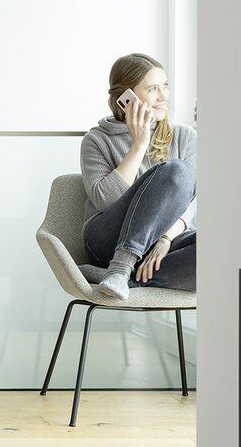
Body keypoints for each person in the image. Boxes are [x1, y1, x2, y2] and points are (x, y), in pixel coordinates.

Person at [80, 53, 197, 301]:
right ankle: (120, 266)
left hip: (162, 241)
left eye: (165, 86)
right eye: (153, 89)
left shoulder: (184, 136)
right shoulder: (97, 140)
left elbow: (196, 200)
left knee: (224, 249)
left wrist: (166, 238)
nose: (164, 96)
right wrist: (139, 145)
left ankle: (123, 278)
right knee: (177, 171)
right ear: (126, 99)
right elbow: (105, 201)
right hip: (106, 242)